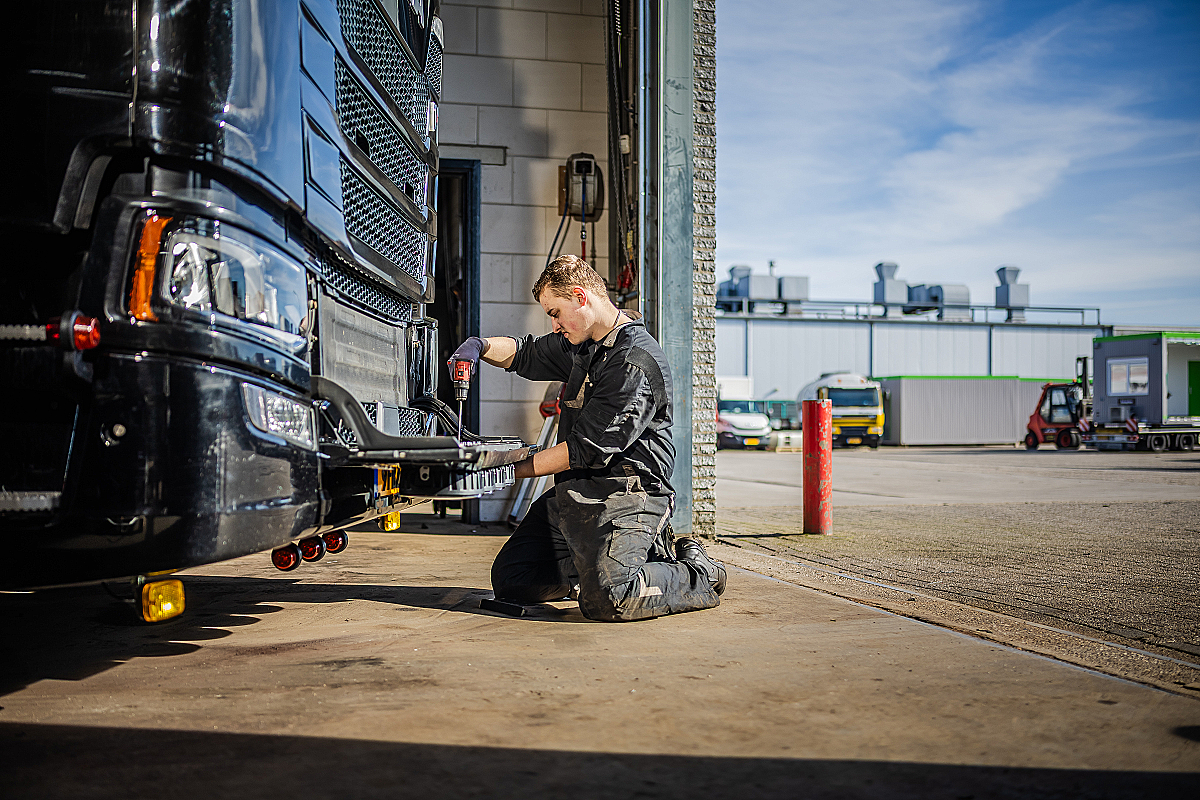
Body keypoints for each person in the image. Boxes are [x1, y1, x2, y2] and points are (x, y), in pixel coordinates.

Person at [448, 255, 726, 622]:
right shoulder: (584, 346)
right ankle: (603, 567)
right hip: (576, 493)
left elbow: (585, 449)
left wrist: (501, 469)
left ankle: (696, 571)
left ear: (580, 297)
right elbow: (527, 353)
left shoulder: (633, 361)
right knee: (513, 579)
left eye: (555, 312)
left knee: (611, 598)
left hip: (627, 495)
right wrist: (478, 347)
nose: (554, 323)